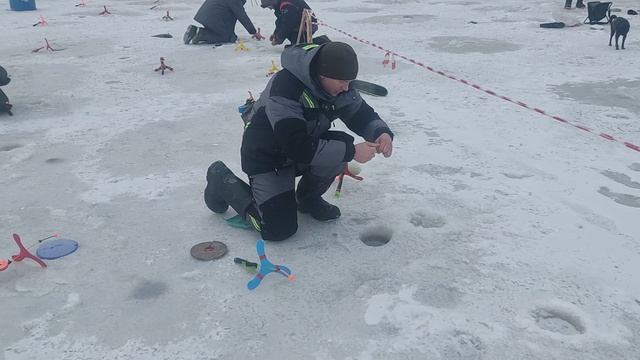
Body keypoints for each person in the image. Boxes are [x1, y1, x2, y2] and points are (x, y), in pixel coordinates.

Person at [204, 42, 394, 241]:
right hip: (269, 158)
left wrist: (381, 133)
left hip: (304, 149)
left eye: (349, 82)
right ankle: (222, 179)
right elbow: (295, 145)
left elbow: (360, 114)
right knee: (277, 229)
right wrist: (352, 153)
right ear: (322, 74)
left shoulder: (336, 86)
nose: (347, 88)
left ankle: (307, 198)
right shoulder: (285, 88)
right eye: (342, 82)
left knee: (339, 147)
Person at [184, 0, 265, 45]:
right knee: (227, 37)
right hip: (214, 17)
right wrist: (253, 32)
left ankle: (195, 31)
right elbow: (241, 15)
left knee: (228, 36)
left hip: (208, 16)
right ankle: (200, 34)